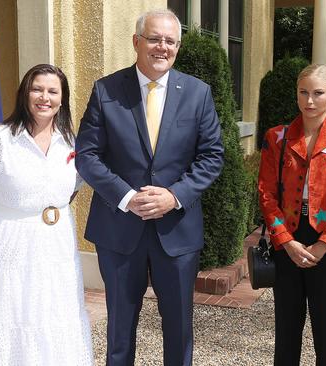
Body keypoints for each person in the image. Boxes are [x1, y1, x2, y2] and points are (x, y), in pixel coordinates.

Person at [75, 9, 224, 366]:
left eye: (170, 41)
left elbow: (212, 156)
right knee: (119, 334)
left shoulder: (197, 93)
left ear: (178, 46)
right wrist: (126, 197)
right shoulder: (106, 90)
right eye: (155, 38)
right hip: (119, 230)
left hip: (177, 232)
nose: (162, 47)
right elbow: (87, 155)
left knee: (179, 331)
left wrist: (175, 196)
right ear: (136, 42)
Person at [0, 64, 93, 365]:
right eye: (37, 89)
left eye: (52, 91)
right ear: (24, 93)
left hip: (57, 245)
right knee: (10, 316)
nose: (44, 97)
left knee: (55, 315)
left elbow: (69, 190)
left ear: (62, 99)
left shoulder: (71, 142)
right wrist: (7, 222)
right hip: (10, 245)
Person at [258, 64, 326, 365]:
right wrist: (286, 243)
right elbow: (266, 194)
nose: (309, 101)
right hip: (287, 242)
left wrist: (325, 244)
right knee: (286, 333)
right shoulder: (276, 138)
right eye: (303, 92)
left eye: (318, 93)